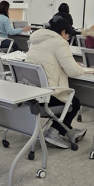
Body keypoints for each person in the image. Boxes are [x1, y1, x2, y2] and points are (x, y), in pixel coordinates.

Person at [25, 18, 87, 148]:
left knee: (70, 99)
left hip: (32, 92)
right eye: (68, 36)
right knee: (74, 103)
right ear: (63, 32)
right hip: (48, 95)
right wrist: (82, 68)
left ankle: (68, 130)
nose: (67, 39)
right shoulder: (60, 42)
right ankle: (53, 132)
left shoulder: (36, 40)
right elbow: (73, 71)